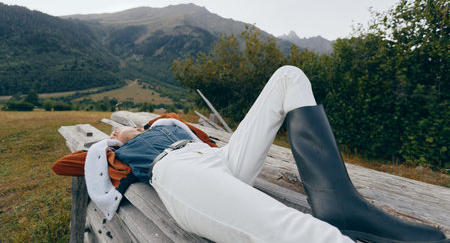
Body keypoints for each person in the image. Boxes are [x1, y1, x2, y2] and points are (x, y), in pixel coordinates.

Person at [53, 66, 448, 243]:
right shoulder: (117, 150)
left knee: (288, 76)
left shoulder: (166, 125)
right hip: (177, 174)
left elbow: (175, 124)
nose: (122, 130)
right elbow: (65, 167)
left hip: (216, 158)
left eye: (123, 128)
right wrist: (113, 141)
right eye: (119, 130)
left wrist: (148, 126)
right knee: (294, 231)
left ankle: (340, 204)